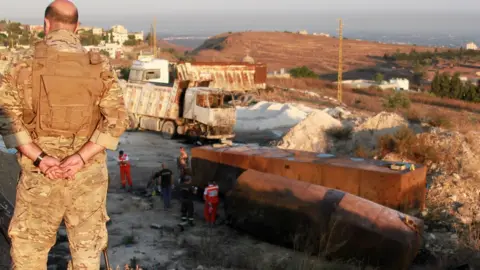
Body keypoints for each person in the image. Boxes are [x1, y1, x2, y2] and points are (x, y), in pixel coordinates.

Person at [0, 1, 129, 269]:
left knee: (29, 255)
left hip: (39, 176)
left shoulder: (22, 63)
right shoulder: (99, 65)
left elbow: (7, 118)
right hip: (86, 176)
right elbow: (117, 120)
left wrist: (41, 158)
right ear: (77, 27)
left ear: (46, 24)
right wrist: (80, 158)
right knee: (86, 255)